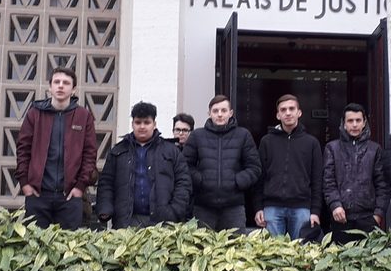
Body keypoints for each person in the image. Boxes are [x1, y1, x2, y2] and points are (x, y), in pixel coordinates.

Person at [15, 67, 97, 230]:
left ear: (73, 89)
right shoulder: (35, 113)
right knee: (35, 247)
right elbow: (23, 150)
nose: (60, 86)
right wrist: (25, 183)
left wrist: (80, 187)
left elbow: (90, 154)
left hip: (70, 196)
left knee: (68, 250)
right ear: (50, 87)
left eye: (66, 83)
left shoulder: (83, 116)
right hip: (38, 194)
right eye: (56, 82)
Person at [96, 102, 191, 228]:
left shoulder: (171, 151)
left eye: (146, 122)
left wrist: (175, 211)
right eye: (138, 122)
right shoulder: (118, 151)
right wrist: (105, 209)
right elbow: (106, 183)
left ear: (154, 124)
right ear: (132, 124)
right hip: (126, 222)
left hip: (162, 222)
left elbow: (183, 182)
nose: (142, 126)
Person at [183, 95, 261, 231]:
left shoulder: (243, 135)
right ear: (209, 113)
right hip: (203, 206)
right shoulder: (197, 136)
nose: (220, 114)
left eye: (224, 110)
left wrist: (237, 181)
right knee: (202, 250)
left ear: (230, 113)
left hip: (234, 207)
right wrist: (201, 180)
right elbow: (185, 166)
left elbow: (254, 167)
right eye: (215, 111)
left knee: (236, 249)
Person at [253, 94, 323, 240]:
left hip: (302, 208)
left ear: (299, 112)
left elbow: (317, 180)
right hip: (272, 208)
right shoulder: (267, 141)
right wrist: (258, 207)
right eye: (283, 110)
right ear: (278, 115)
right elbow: (259, 177)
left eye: (292, 109)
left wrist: (315, 211)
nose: (288, 113)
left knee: (301, 255)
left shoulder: (311, 143)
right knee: (272, 256)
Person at [323, 103, 391, 244]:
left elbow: (382, 184)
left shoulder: (375, 149)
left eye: (358, 120)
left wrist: (378, 214)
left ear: (364, 122)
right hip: (341, 216)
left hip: (368, 217)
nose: (354, 124)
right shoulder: (332, 148)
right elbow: (328, 181)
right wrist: (335, 204)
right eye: (350, 121)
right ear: (344, 123)